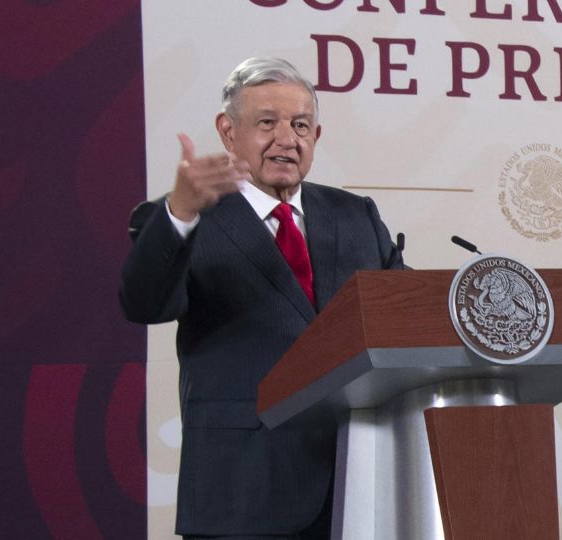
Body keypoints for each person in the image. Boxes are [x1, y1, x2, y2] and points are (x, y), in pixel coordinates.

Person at [120, 57, 404, 539]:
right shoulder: (186, 217)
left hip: (357, 487)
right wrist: (181, 212)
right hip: (242, 493)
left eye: (300, 125)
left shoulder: (355, 214)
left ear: (316, 136)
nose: (287, 139)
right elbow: (144, 304)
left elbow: (405, 310)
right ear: (228, 132)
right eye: (267, 123)